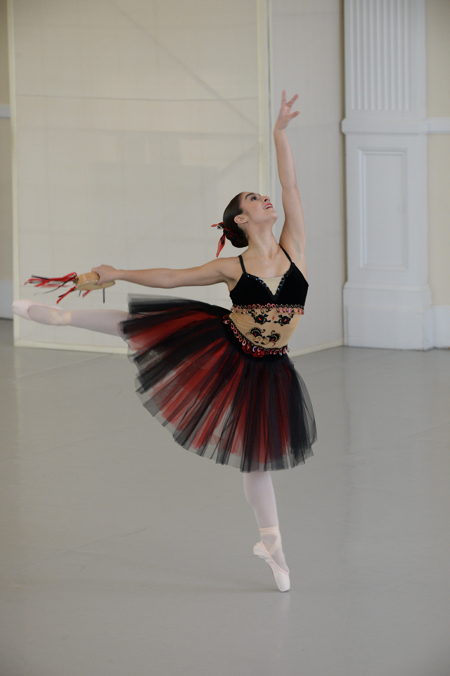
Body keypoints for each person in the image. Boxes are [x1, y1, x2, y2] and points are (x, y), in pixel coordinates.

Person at [13, 90, 317, 592]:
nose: (265, 199)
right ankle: (64, 317)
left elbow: (292, 185)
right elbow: (173, 278)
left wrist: (279, 132)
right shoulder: (231, 266)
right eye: (252, 198)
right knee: (145, 329)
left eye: (262, 196)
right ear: (241, 221)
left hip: (270, 365)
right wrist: (118, 272)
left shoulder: (295, 247)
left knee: (257, 459)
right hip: (228, 346)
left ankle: (272, 545)